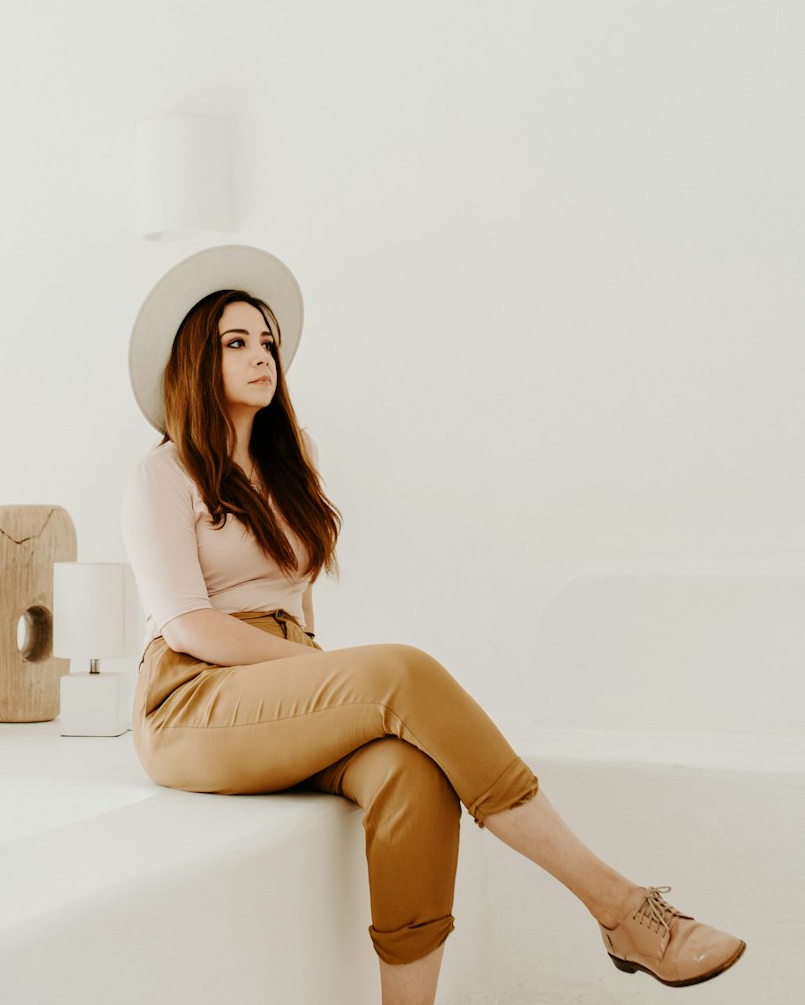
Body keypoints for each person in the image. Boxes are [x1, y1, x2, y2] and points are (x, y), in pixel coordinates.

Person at [121, 244, 745, 1005]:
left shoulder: (292, 462)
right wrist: (323, 675)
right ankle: (620, 908)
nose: (263, 355)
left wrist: (317, 671)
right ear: (194, 360)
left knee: (414, 774)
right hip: (192, 699)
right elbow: (189, 625)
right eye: (236, 341)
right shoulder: (161, 474)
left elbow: (300, 601)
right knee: (400, 670)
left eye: (269, 340)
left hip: (280, 687)